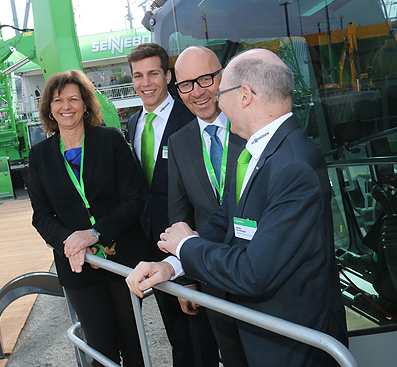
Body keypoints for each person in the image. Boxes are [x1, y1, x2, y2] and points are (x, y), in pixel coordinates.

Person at [127, 49, 348, 367]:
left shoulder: (293, 164)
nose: (214, 98)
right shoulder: (264, 151)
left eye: (220, 90)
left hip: (293, 342)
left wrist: (187, 244)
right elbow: (226, 220)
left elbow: (255, 273)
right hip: (261, 327)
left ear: (244, 96)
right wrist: (174, 265)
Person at [26, 69, 151, 366]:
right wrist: (69, 241)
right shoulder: (40, 155)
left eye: (73, 99)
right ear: (49, 108)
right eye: (58, 100)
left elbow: (136, 199)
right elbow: (41, 215)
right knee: (100, 348)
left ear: (85, 104)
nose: (66, 106)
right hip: (78, 266)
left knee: (133, 343)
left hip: (122, 258)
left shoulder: (111, 141)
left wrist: (94, 233)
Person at [126, 42, 215, 367]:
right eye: (138, 76)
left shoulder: (190, 116)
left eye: (153, 74)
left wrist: (189, 256)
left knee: (202, 329)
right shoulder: (134, 123)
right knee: (176, 331)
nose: (145, 83)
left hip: (192, 238)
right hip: (153, 244)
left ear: (167, 76)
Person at [168, 46, 247, 367]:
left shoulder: (253, 127)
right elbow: (179, 216)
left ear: (223, 76)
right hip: (211, 278)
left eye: (205, 79)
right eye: (186, 84)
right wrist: (186, 280)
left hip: (265, 275)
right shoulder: (179, 141)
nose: (196, 92)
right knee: (232, 358)